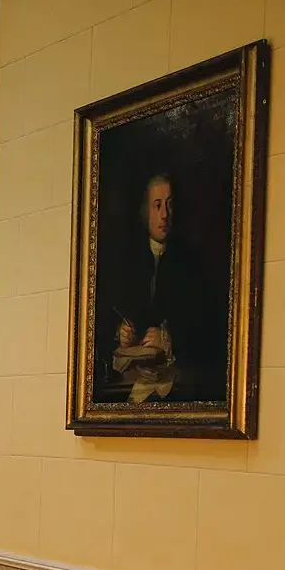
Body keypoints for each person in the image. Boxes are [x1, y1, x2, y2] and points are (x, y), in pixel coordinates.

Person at [102, 172, 223, 403]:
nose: (164, 215)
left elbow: (207, 329)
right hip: (132, 378)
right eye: (157, 206)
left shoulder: (190, 262)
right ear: (145, 211)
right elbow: (107, 317)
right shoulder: (128, 261)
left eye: (169, 205)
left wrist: (168, 339)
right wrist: (122, 333)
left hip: (179, 382)